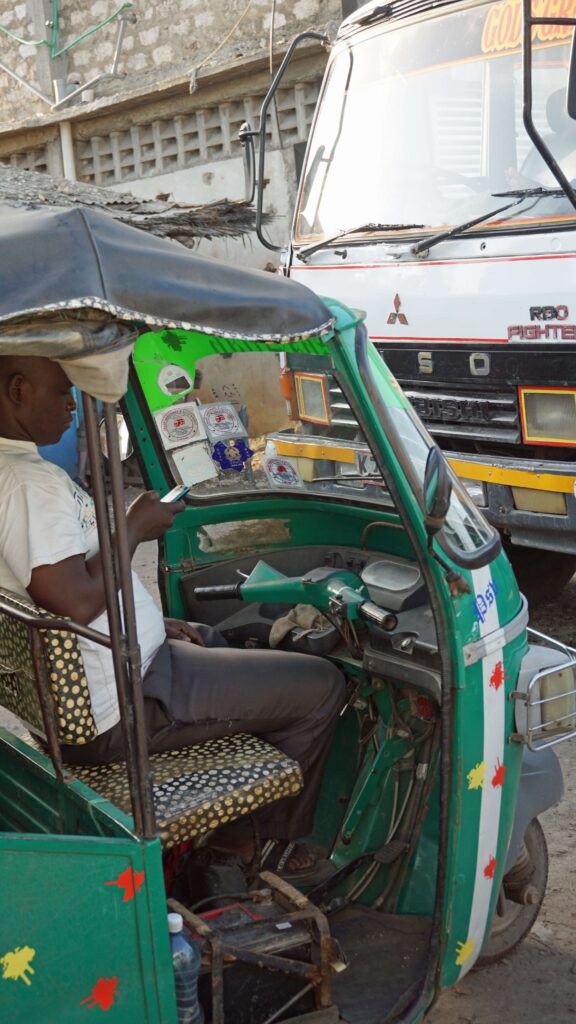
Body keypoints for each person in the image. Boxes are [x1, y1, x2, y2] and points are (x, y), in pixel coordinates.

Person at [0, 355, 346, 876]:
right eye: (61, 391)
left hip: (108, 677)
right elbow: (72, 600)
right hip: (124, 701)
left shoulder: (18, 473)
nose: (72, 406)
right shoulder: (28, 483)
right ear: (18, 390)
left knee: (216, 638)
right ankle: (246, 846)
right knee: (320, 685)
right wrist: (136, 526)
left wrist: (152, 624)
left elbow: (69, 587)